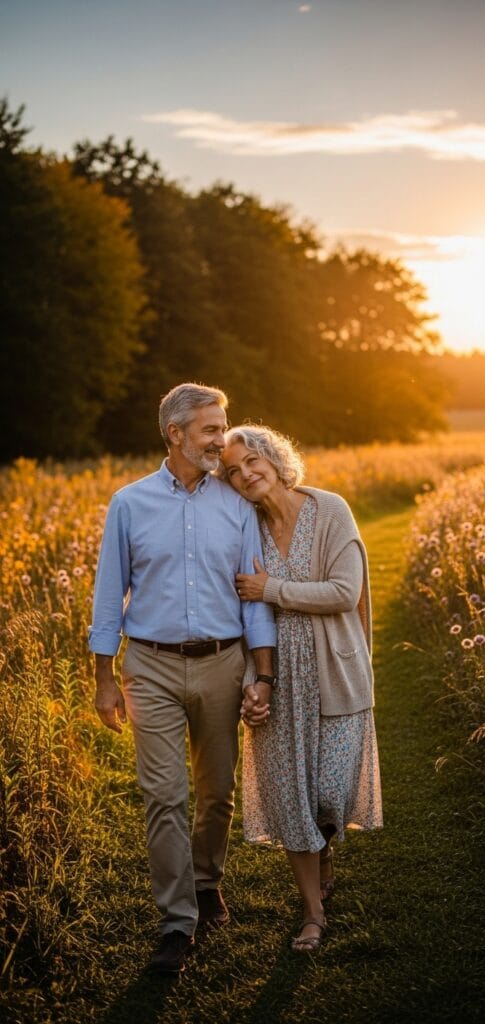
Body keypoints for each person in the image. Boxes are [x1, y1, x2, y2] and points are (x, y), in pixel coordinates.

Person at [89, 384, 276, 974]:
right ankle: (177, 922)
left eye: (222, 428)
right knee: (165, 795)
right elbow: (107, 596)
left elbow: (252, 599)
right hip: (150, 666)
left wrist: (261, 673)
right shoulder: (129, 504)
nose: (221, 440)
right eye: (210, 430)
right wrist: (105, 676)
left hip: (223, 661)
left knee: (217, 792)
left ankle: (205, 881)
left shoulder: (237, 507)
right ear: (175, 435)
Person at [220, 425, 382, 954]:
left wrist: (274, 589)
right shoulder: (247, 527)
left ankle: (325, 847)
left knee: (329, 793)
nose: (245, 474)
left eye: (251, 461)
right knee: (292, 798)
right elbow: (245, 606)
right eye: (232, 471)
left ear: (273, 457)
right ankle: (313, 913)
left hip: (336, 670)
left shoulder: (330, 510)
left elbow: (343, 592)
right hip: (277, 675)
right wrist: (255, 678)